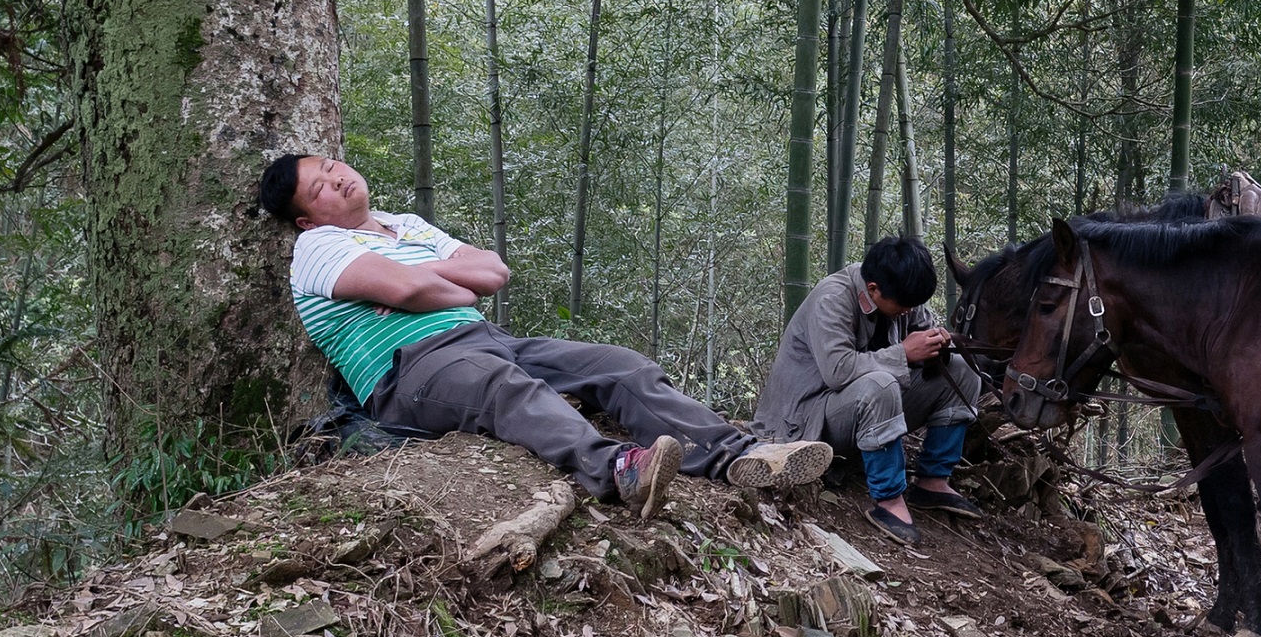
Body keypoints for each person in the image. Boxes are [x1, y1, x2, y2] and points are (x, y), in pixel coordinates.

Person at [261, 153, 828, 516]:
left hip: (486, 336)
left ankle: (740, 456)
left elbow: (493, 271)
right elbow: (413, 291)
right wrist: (442, 283)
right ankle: (618, 470)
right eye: (319, 189)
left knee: (619, 364)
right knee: (501, 385)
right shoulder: (316, 248)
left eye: (331, 166)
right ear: (308, 219)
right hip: (409, 368)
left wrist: (429, 280)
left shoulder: (404, 225)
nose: (336, 177)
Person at [756, 234, 981, 544]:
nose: (909, 312)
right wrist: (903, 353)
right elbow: (839, 371)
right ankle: (888, 499)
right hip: (806, 422)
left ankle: (932, 480)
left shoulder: (900, 295)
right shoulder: (832, 298)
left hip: (858, 411)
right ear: (873, 290)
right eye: (903, 307)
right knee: (880, 383)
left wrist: (937, 344)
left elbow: (920, 335)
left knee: (962, 372)